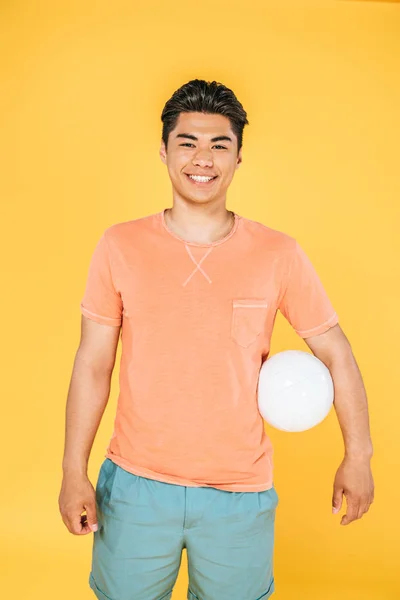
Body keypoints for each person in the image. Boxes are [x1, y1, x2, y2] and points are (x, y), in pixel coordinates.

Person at [59, 79, 374, 600]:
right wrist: (73, 471)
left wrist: (358, 456)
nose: (201, 158)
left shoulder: (279, 254)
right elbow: (93, 364)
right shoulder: (120, 245)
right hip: (135, 487)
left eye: (218, 144)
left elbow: (336, 351)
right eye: (187, 142)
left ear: (238, 157)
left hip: (240, 494)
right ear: (164, 151)